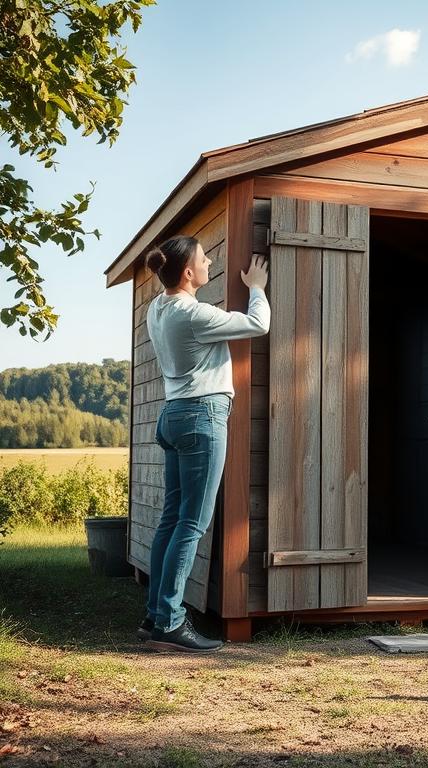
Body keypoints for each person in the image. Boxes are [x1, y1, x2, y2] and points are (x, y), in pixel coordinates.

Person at [139, 236, 270, 652]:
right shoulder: (194, 315)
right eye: (203, 257)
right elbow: (257, 325)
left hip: (173, 414)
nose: (210, 259)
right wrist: (257, 289)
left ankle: (156, 615)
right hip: (201, 417)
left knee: (171, 519)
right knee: (191, 524)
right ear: (188, 273)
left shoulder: (156, 308)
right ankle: (171, 623)